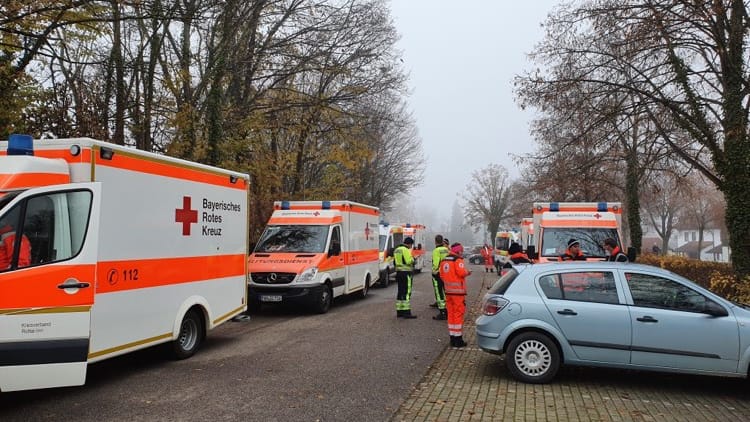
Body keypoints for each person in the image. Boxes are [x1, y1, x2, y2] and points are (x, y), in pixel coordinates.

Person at [440, 243, 471, 348]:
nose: (462, 252)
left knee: (451, 314)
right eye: (461, 250)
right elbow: (461, 273)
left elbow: (441, 275)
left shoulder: (444, 260)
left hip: (448, 291)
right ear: (458, 251)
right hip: (458, 293)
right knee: (458, 314)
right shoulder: (457, 259)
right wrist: (467, 272)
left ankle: (452, 338)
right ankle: (458, 340)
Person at [394, 237, 417, 319]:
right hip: (406, 273)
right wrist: (413, 260)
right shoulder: (405, 250)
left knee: (400, 292)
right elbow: (408, 261)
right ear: (409, 243)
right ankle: (407, 312)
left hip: (399, 273)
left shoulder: (397, 249)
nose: (411, 247)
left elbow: (395, 262)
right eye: (411, 245)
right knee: (407, 292)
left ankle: (399, 311)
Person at [429, 235, 449, 320]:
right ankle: (447, 310)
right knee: (445, 291)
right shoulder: (446, 249)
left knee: (439, 292)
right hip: (446, 273)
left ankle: (442, 312)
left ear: (435, 241)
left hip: (438, 274)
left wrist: (434, 272)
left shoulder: (436, 251)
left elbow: (436, 263)